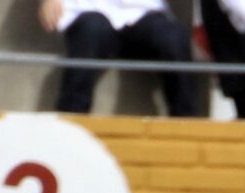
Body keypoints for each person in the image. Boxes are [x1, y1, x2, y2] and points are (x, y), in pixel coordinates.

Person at [41, 0, 205, 119]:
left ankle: (187, 124)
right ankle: (71, 121)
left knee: (173, 39)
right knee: (91, 32)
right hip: (88, 10)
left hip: (143, 11)